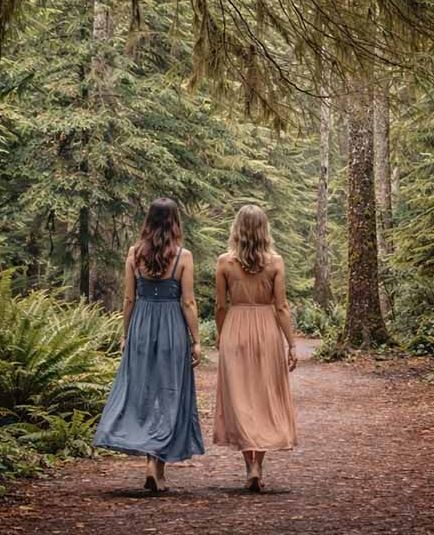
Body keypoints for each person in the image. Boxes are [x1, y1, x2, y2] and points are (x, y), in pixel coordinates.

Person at [93, 198, 204, 492]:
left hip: (142, 324)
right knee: (168, 393)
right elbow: (188, 301)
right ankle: (158, 466)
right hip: (171, 328)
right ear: (175, 222)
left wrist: (126, 334)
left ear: (148, 222)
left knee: (142, 392)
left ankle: (149, 462)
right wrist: (196, 340)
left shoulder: (134, 254)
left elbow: (128, 299)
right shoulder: (183, 256)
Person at [213, 204, 298, 491]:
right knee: (263, 396)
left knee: (240, 397)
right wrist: (291, 343)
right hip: (266, 331)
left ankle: (248, 464)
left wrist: (221, 334)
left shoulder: (225, 262)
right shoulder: (275, 262)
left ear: (237, 229)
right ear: (264, 230)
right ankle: (258, 465)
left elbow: (221, 305)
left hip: (235, 327)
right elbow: (282, 306)